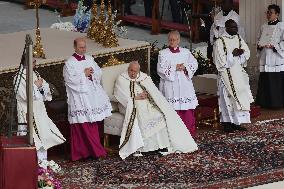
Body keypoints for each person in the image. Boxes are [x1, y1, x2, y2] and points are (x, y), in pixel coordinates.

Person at [114, 61, 198, 159]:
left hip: (146, 103)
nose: (133, 73)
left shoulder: (144, 77)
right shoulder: (122, 79)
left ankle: (161, 146)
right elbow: (119, 95)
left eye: (135, 71)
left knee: (160, 115)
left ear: (139, 71)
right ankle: (139, 148)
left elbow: (154, 93)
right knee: (142, 116)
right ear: (128, 69)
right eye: (131, 70)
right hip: (129, 105)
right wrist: (135, 97)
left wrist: (146, 95)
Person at [63, 37, 112, 161]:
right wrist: (83, 74)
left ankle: (93, 151)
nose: (83, 49)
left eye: (84, 47)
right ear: (74, 47)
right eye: (80, 47)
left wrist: (93, 73)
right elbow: (69, 80)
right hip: (79, 98)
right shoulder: (70, 63)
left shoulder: (90, 59)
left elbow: (99, 73)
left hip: (91, 96)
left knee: (92, 123)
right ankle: (85, 153)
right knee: (83, 125)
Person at [14, 59, 66, 162]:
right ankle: (32, 165)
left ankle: (43, 166)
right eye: (33, 62)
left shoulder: (35, 73)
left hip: (39, 110)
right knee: (33, 139)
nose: (35, 64)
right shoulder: (18, 77)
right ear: (26, 62)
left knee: (42, 137)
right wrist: (36, 86)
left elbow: (44, 87)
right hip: (28, 112)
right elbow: (24, 96)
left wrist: (43, 86)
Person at [213, 19, 253, 132]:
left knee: (239, 97)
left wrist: (241, 54)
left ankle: (237, 122)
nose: (235, 29)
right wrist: (232, 55)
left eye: (236, 27)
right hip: (225, 74)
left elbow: (247, 52)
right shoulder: (219, 42)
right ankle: (227, 124)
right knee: (226, 99)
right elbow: (219, 61)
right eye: (233, 27)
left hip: (238, 73)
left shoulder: (238, 38)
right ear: (226, 28)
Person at [157, 30, 198, 137]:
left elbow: (194, 63)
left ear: (178, 40)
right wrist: (174, 67)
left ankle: (188, 131)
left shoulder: (186, 52)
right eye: (170, 39)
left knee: (186, 108)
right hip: (171, 85)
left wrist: (185, 67)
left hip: (184, 85)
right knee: (172, 108)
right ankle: (174, 133)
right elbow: (160, 69)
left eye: (174, 40)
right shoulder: (163, 53)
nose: (172, 41)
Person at [256, 4, 284, 109]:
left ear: (277, 14)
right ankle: (264, 102)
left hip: (275, 57)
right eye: (267, 12)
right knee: (265, 80)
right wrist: (259, 45)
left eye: (270, 12)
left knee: (275, 81)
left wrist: (275, 46)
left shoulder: (282, 26)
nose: (268, 14)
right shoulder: (263, 26)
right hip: (265, 56)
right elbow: (258, 38)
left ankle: (276, 103)